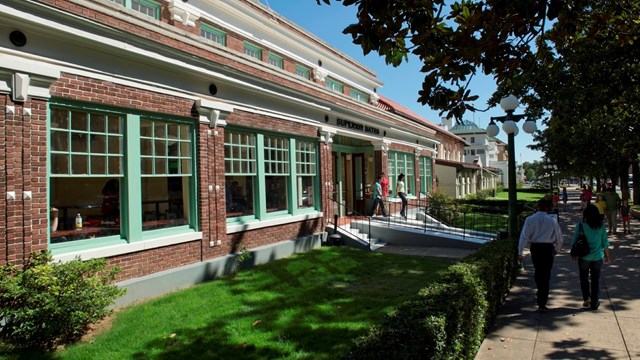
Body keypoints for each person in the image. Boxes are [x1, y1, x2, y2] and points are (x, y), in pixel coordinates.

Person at [518, 198, 564, 312]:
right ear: (548, 208)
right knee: (546, 273)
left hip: (536, 248)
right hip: (548, 249)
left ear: (538, 207)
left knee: (538, 270)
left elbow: (524, 237)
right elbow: (559, 238)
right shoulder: (552, 221)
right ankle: (542, 300)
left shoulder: (529, 219)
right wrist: (557, 249)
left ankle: (540, 291)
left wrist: (520, 252)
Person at [571, 204, 611, 310]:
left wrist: (574, 254)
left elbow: (574, 241)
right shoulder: (601, 226)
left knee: (583, 278)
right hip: (598, 257)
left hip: (584, 257)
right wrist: (607, 256)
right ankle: (595, 302)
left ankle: (586, 298)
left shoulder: (580, 226)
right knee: (595, 280)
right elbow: (605, 243)